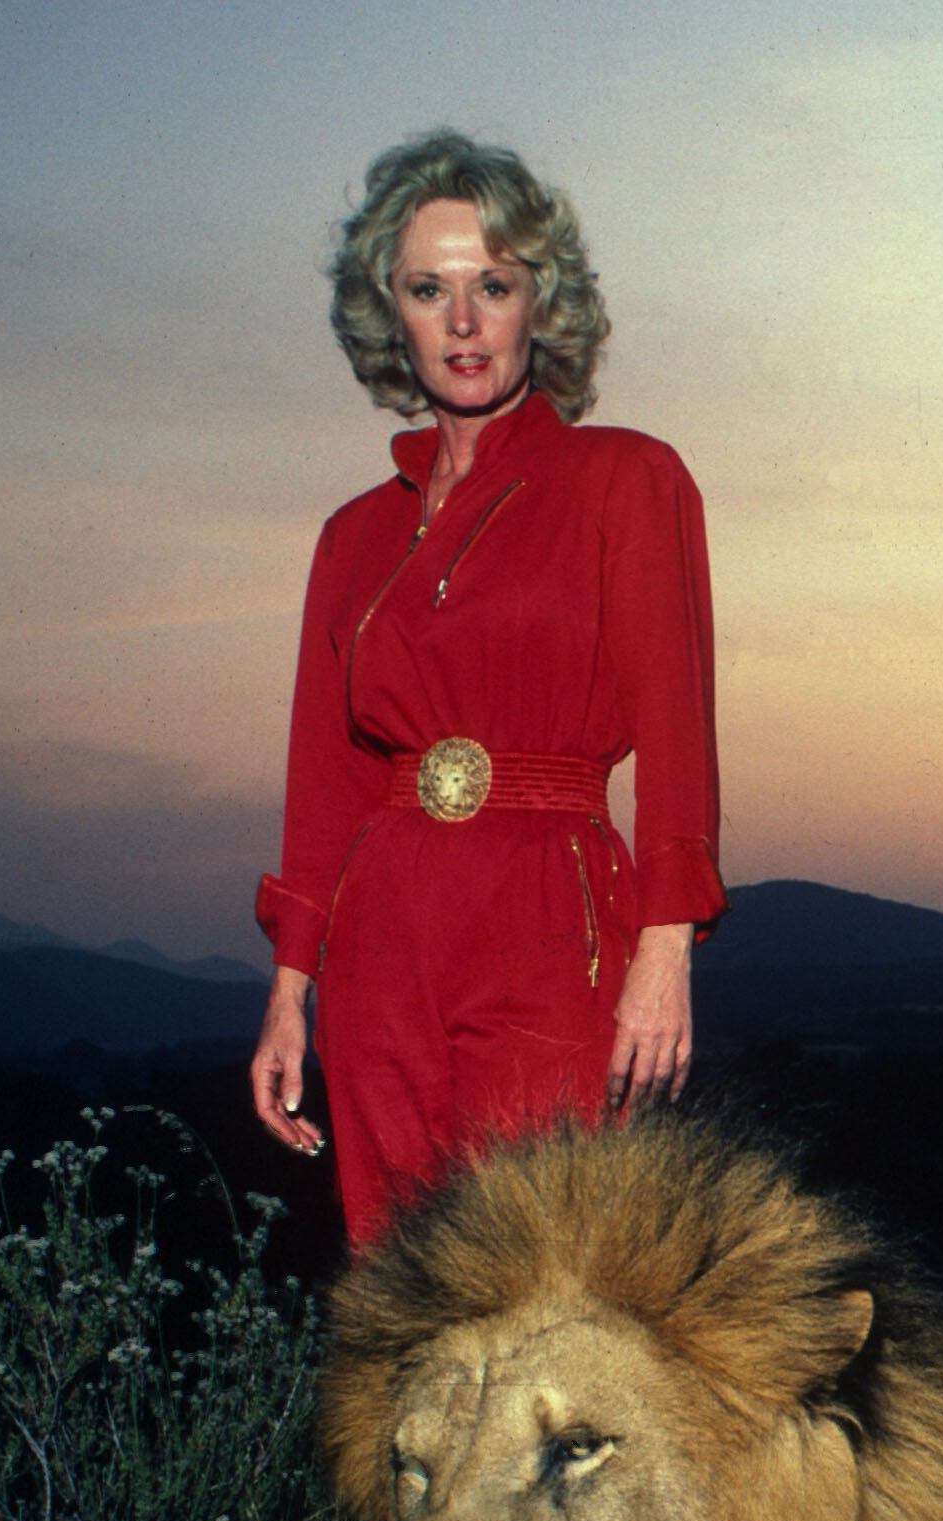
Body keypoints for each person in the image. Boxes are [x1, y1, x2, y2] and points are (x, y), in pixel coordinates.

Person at [247, 131, 724, 1253]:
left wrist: (666, 954)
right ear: (390, 315)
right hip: (381, 937)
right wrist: (288, 989)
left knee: (548, 1277)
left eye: (493, 286)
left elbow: (678, 734)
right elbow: (326, 781)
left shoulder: (628, 478)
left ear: (537, 306)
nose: (463, 322)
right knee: (401, 1282)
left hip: (553, 917)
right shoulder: (352, 538)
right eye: (430, 289)